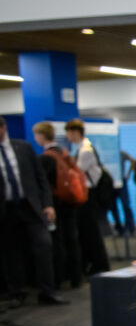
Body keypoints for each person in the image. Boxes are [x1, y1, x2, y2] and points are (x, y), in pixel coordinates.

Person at [0, 117, 66, 306]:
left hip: (30, 206)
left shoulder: (23, 148)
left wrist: (48, 204)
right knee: (10, 251)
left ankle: (48, 291)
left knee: (43, 245)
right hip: (6, 210)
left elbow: (40, 179)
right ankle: (16, 292)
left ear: (3, 128)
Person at [35, 121, 83, 289]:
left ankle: (60, 277)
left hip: (56, 205)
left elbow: (43, 185)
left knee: (59, 241)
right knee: (72, 239)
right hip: (71, 201)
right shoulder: (64, 153)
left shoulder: (46, 157)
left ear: (41, 135)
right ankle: (76, 276)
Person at [65, 118, 110, 274]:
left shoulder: (86, 150)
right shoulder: (79, 148)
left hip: (88, 195)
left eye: (69, 133)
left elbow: (76, 172)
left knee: (92, 231)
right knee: (86, 231)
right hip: (84, 194)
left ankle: (100, 264)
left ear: (75, 132)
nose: (67, 136)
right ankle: (91, 263)